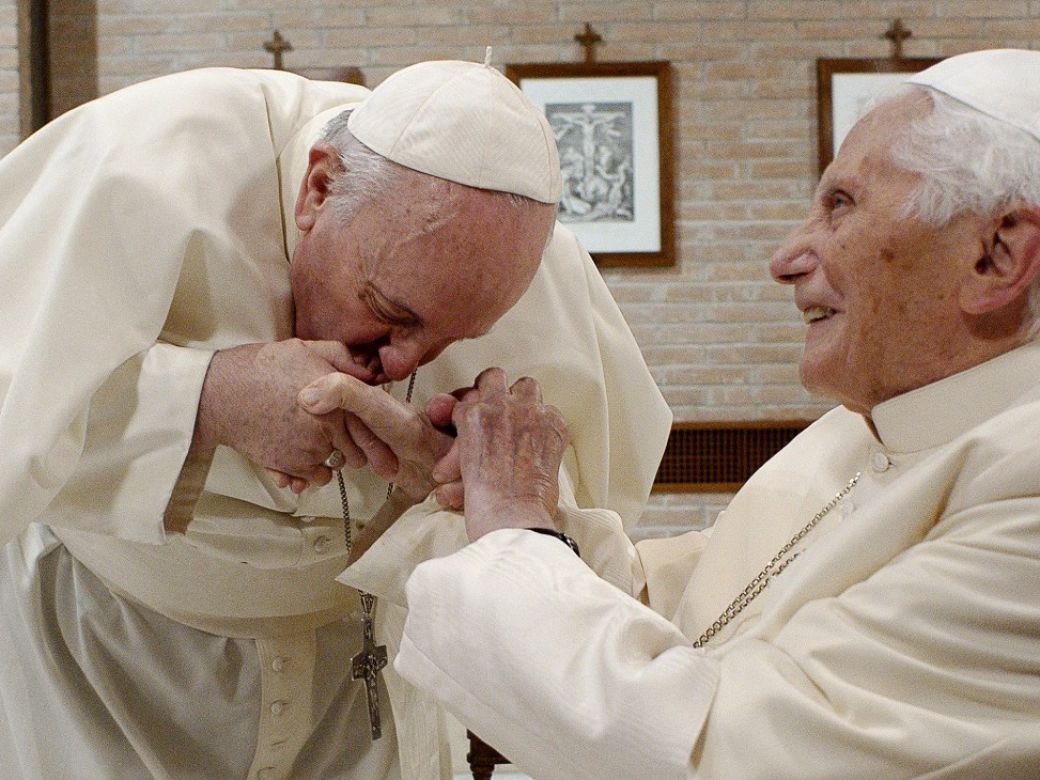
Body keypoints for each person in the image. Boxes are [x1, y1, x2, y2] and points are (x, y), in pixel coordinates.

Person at [318, 48, 1040, 778]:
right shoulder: (860, 430)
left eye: (840, 206)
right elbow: (688, 615)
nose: (788, 256)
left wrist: (513, 526)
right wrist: (492, 498)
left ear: (997, 256)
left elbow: (714, 756)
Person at [0, 56, 671, 778]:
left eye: (452, 342)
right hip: (108, 660)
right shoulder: (143, 162)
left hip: (355, 684)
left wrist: (460, 484)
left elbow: (579, 540)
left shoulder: (534, 274)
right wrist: (204, 399)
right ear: (318, 190)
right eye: (390, 313)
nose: (406, 365)